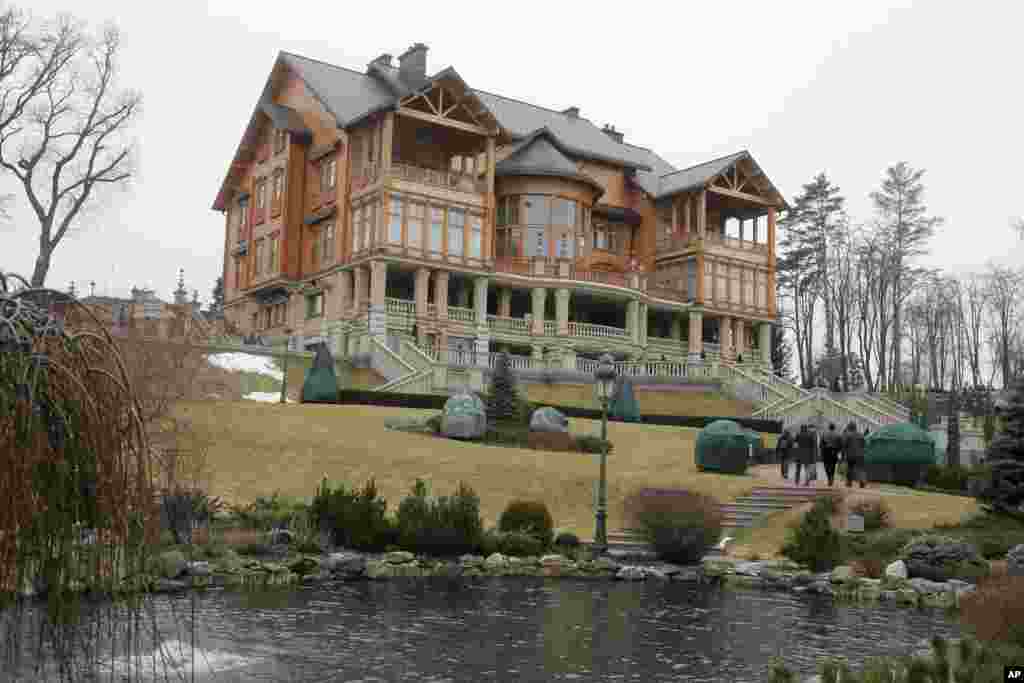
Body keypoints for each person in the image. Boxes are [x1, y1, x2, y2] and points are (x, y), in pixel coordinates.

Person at [843, 421, 867, 488]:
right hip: (860, 455)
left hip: (850, 455)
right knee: (861, 469)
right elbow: (864, 444)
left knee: (850, 468)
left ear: (850, 428)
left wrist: (844, 454)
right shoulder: (861, 435)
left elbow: (844, 445)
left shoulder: (848, 435)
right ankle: (862, 481)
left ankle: (849, 482)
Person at [821, 422, 842, 486]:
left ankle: (829, 476)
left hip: (826, 451)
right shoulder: (838, 435)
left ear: (829, 427)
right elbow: (840, 444)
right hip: (834, 452)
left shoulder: (824, 434)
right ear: (834, 427)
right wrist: (838, 451)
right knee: (833, 465)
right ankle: (831, 477)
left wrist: (822, 451)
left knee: (826, 465)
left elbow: (821, 444)